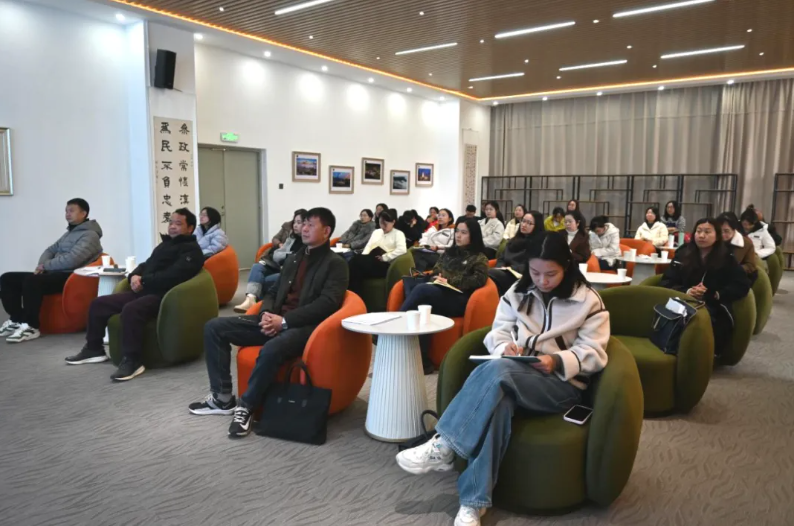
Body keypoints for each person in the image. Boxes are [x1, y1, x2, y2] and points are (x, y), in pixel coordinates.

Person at [396, 233, 609, 526]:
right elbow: (498, 331)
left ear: (567, 266)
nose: (542, 281)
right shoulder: (517, 293)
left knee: (499, 372)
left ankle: (446, 443)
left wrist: (557, 360)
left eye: (551, 274)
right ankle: (473, 504)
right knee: (498, 405)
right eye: (535, 272)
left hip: (561, 386)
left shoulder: (587, 301)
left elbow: (595, 353)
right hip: (516, 376)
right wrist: (503, 346)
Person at [188, 208, 348, 439]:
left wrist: (284, 321)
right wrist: (266, 313)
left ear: (326, 231)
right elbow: (273, 291)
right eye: (303, 223)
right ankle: (222, 398)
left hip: (304, 327)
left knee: (272, 348)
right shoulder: (295, 257)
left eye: (311, 225)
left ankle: (246, 406)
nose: (304, 228)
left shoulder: (335, 264)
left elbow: (327, 304)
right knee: (214, 327)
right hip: (275, 318)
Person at [64, 208, 203, 380]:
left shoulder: (192, 252)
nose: (172, 226)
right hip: (145, 291)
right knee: (99, 304)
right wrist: (134, 276)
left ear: (190, 228)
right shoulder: (165, 244)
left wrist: (144, 281)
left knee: (131, 309)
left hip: (166, 296)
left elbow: (173, 276)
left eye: (178, 224)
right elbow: (146, 265)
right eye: (171, 222)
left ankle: (133, 360)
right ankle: (94, 349)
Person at [1, 198, 103, 343]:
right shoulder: (70, 232)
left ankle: (31, 326)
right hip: (55, 272)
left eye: (71, 211)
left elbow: (73, 260)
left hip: (71, 277)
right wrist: (42, 265)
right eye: (66, 211)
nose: (67, 214)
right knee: (7, 278)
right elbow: (50, 250)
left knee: (32, 281)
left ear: (83, 213)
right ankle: (17, 319)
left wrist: (46, 266)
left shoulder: (90, 235)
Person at [400, 218, 489, 374]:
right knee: (425, 309)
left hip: (460, 299)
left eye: (464, 232)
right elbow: (436, 269)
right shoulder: (449, 252)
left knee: (422, 291)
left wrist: (450, 281)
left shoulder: (479, 257)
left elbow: (478, 280)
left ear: (473, 235)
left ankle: (397, 321)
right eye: (457, 231)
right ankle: (422, 360)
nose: (458, 235)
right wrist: (436, 276)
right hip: (441, 292)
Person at [660, 218, 750, 355]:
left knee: (702, 320)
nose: (701, 236)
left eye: (707, 232)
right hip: (681, 300)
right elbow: (667, 281)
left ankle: (700, 355)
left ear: (717, 236)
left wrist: (716, 294)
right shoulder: (683, 253)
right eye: (698, 231)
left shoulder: (727, 257)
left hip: (713, 304)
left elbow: (742, 285)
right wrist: (688, 291)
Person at [235, 211, 305, 313]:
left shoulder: (307, 241)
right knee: (256, 267)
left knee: (263, 280)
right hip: (277, 265)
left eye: (299, 222)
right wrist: (286, 254)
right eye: (294, 222)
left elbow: (294, 259)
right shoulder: (291, 237)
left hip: (287, 272)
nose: (295, 225)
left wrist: (284, 255)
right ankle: (250, 298)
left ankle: (256, 302)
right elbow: (277, 254)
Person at [348, 211, 407, 296]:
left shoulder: (398, 234)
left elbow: (402, 249)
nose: (383, 226)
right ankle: (353, 294)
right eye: (381, 223)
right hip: (371, 259)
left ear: (393, 222)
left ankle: (354, 295)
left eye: (385, 224)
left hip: (384, 263)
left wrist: (385, 257)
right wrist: (363, 257)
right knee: (354, 262)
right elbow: (369, 246)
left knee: (355, 265)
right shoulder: (377, 232)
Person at [489, 210, 545, 295]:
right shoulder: (513, 240)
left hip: (521, 277)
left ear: (537, 226)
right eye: (523, 221)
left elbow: (531, 265)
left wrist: (511, 269)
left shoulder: (539, 244)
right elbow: (501, 258)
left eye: (529, 223)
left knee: (489, 274)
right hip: (503, 272)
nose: (524, 225)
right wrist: (500, 267)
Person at [716, 214, 757, 284]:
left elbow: (751, 266)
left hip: (736, 278)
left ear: (734, 229)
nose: (722, 234)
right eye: (719, 231)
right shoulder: (712, 239)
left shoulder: (746, 244)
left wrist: (733, 269)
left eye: (726, 231)